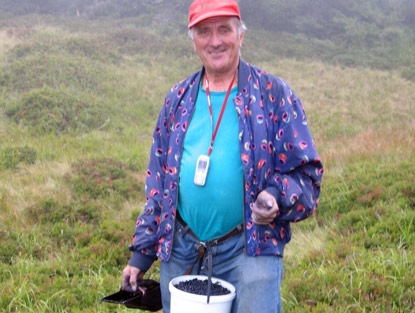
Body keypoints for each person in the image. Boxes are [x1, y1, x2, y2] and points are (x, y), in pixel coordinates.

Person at [122, 0, 323, 312]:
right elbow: (159, 185)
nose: (214, 41)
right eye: (204, 32)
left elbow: (307, 176)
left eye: (224, 30)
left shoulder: (273, 94)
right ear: (194, 41)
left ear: (240, 35)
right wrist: (141, 255)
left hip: (252, 249)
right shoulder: (177, 99)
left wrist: (275, 197)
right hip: (182, 250)